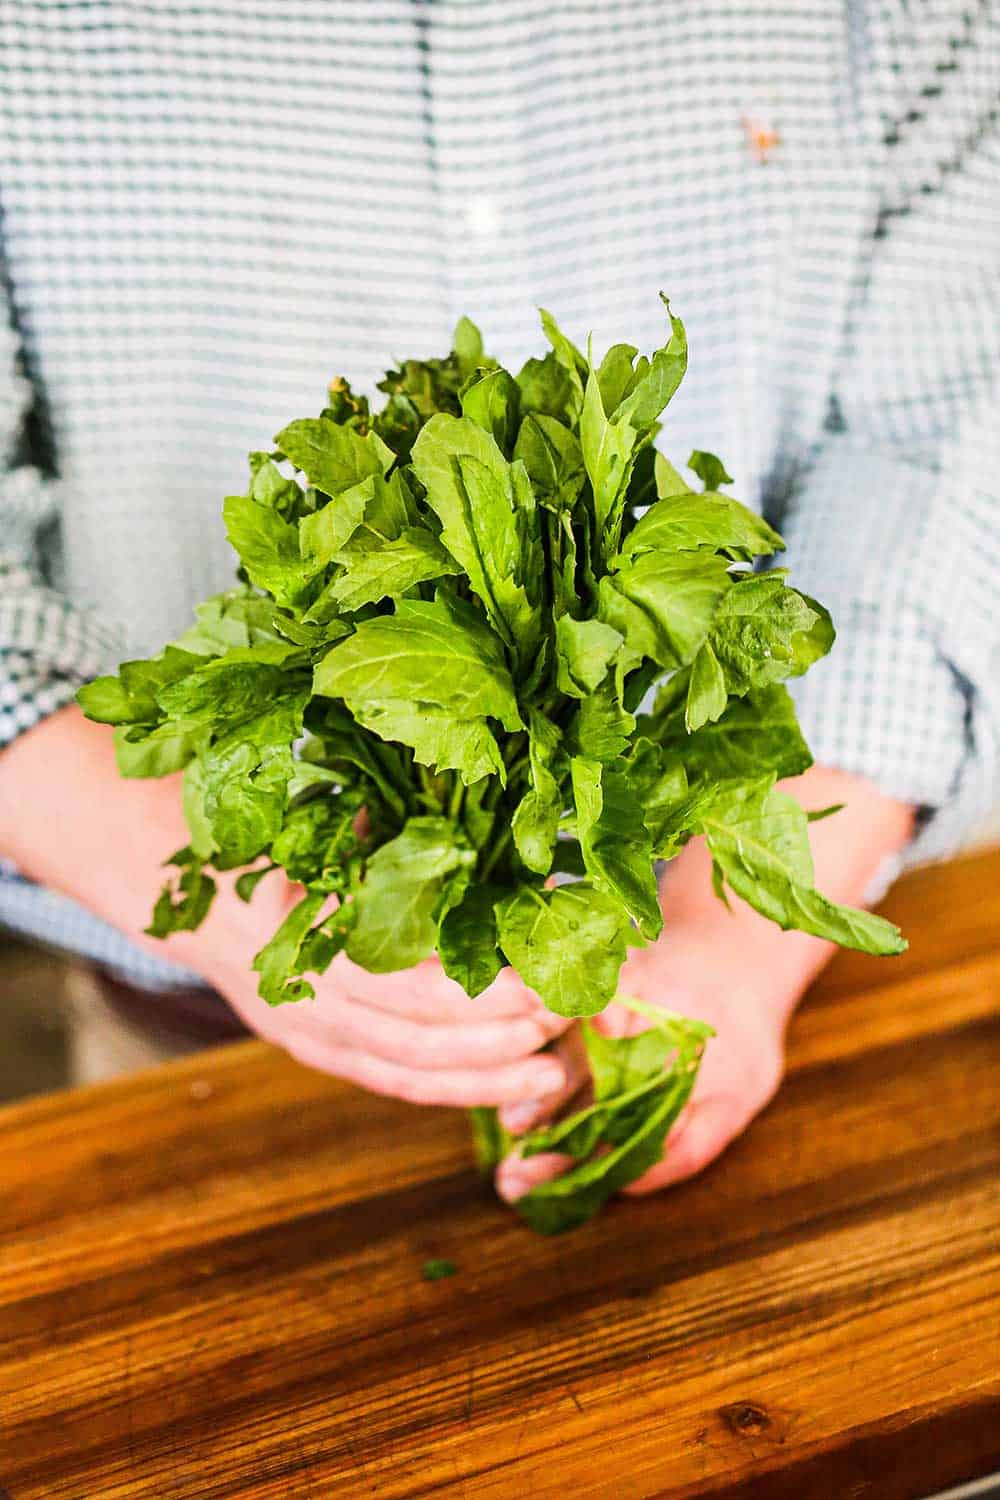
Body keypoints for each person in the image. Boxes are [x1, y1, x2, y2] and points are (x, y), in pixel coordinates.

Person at [0, 4, 996, 1205]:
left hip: (742, 983)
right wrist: (232, 899)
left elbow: (944, 422)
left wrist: (733, 943)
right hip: (188, 1033)